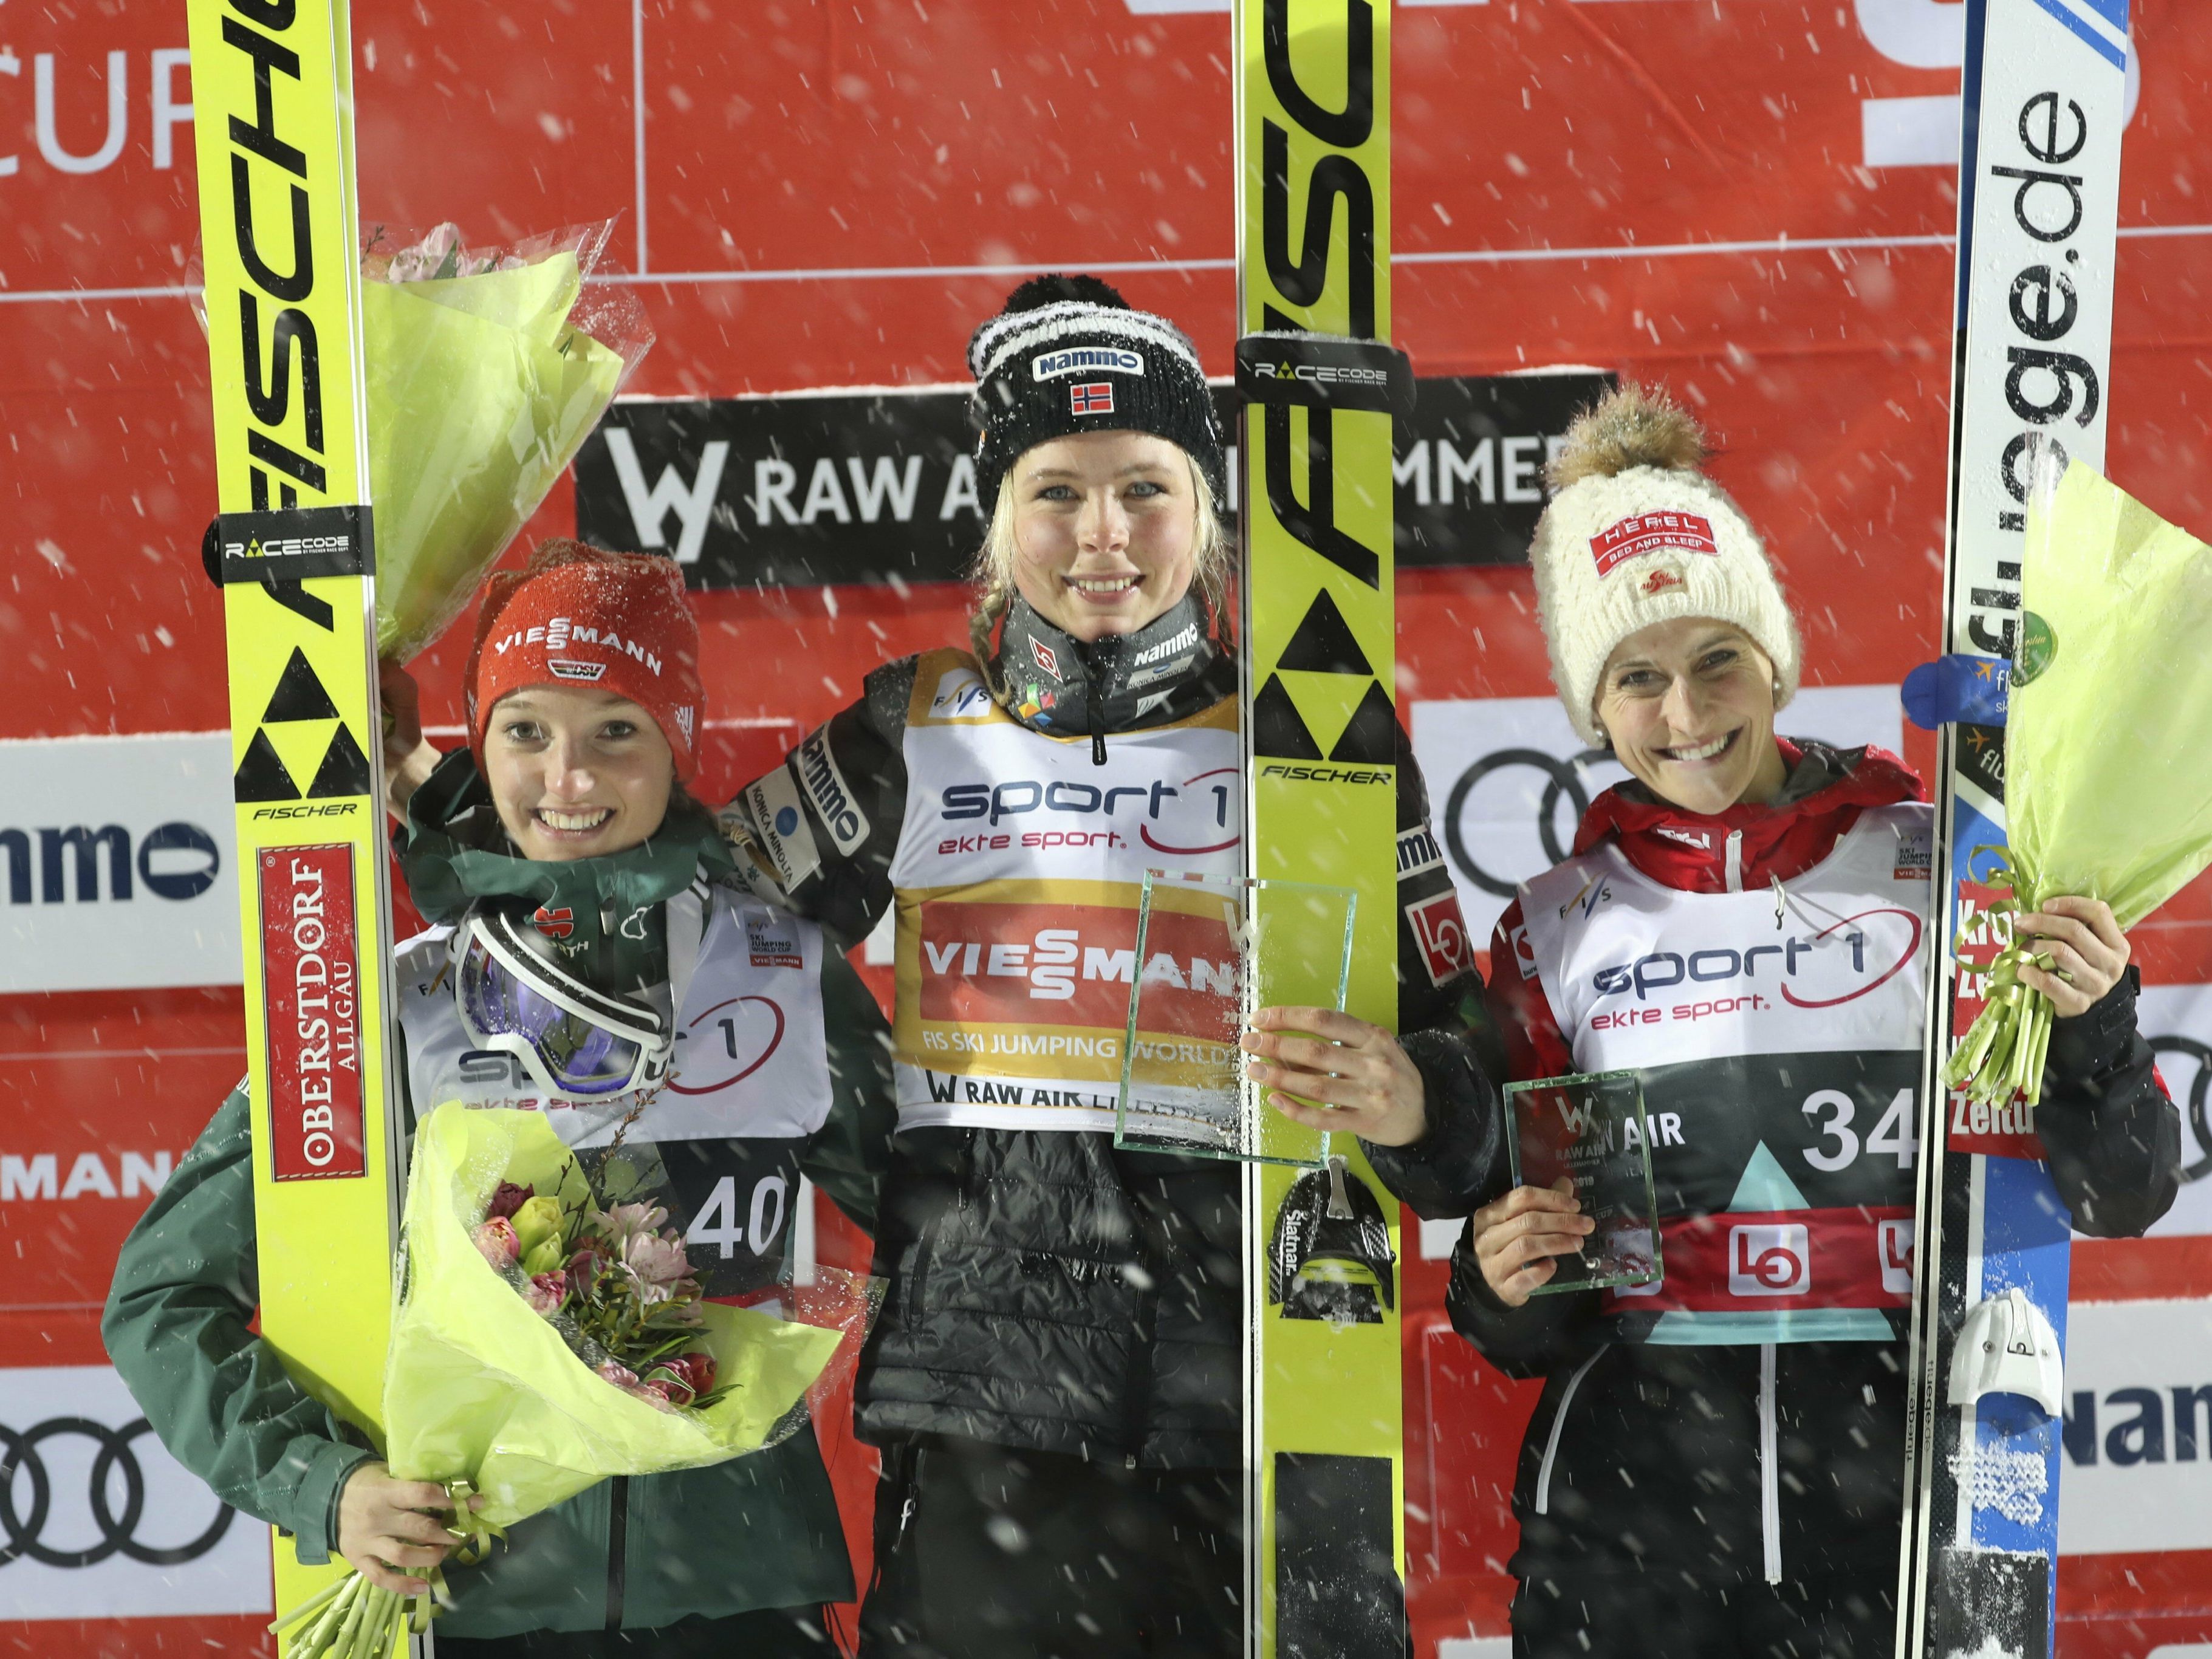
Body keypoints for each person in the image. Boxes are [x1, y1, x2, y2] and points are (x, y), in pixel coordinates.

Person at [716, 274, 1497, 1658]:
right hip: (986, 1418)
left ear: (1207, 506)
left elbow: (1467, 1081)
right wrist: (436, 809)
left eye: (1145, 486)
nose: (1104, 536)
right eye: (1057, 491)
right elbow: (679, 929)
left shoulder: (1316, 741)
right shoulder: (914, 726)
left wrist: (1417, 1099)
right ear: (997, 514)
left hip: (1266, 1402)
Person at [1397, 384, 2182, 1658]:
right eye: (1638, 678)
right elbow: (1532, 1322)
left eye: (1718, 658)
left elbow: (2121, 1189)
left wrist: (2095, 1027)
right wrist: (1497, 1276)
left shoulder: (1949, 870)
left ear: (1777, 658)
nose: (1688, 713)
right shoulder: (1554, 929)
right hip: (1630, 1533)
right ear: (1593, 710)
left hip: (1890, 1511)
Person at [104, 542, 896, 1657]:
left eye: (616, 730)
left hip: (746, 1602)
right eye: (526, 732)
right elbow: (161, 1296)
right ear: (480, 745)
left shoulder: (781, 972)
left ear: (679, 745)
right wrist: (329, 1488)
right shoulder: (400, 1005)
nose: (567, 781)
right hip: (490, 1601)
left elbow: (945, 1219)